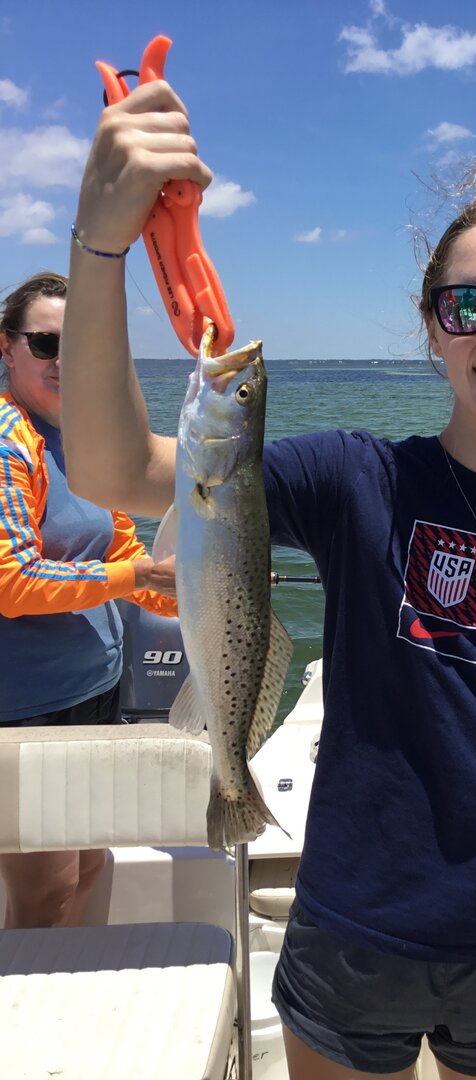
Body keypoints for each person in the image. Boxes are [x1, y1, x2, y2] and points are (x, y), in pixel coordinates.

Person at [60, 81, 476, 1080]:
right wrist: (102, 246)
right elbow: (114, 469)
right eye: (467, 306)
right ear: (433, 327)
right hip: (352, 931)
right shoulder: (352, 478)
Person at [0, 270, 177, 930]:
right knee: (45, 893)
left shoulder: (83, 439)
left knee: (92, 866)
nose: (63, 360)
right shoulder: (8, 439)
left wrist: (186, 595)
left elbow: (121, 540)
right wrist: (136, 577)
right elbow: (13, 582)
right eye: (46, 344)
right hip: (27, 710)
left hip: (96, 691)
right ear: (6, 347)